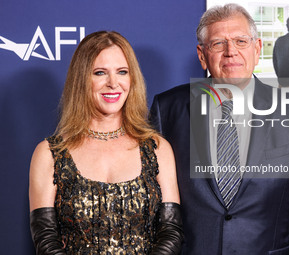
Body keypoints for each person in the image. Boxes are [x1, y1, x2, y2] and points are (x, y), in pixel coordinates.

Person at [150, 4, 289, 255]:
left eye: (241, 41)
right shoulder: (167, 109)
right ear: (202, 55)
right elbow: (155, 208)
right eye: (218, 43)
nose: (230, 52)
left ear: (257, 49)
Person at [29, 31, 183, 255]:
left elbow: (171, 231)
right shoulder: (50, 153)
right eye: (100, 73)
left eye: (122, 72)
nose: (113, 83)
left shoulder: (157, 148)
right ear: (82, 79)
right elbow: (45, 240)